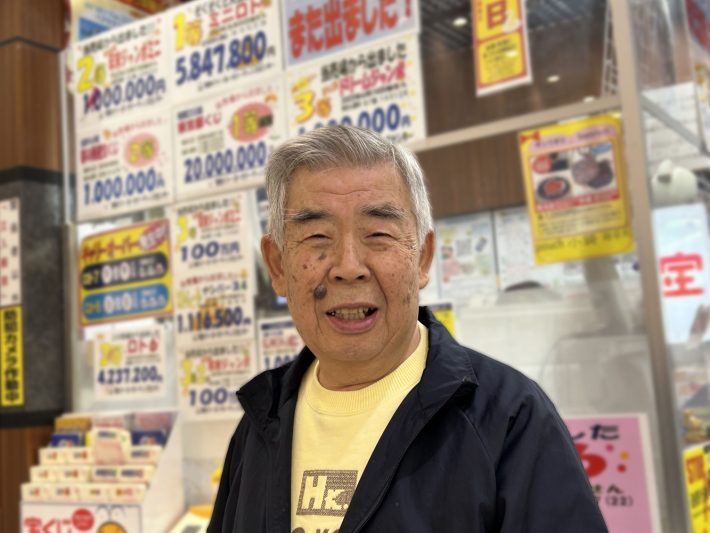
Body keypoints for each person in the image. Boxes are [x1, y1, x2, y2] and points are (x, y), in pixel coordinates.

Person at [208, 125, 608, 532]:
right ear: (277, 266)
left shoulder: (508, 418)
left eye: (378, 235)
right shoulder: (261, 423)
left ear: (422, 258)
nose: (349, 267)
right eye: (316, 237)